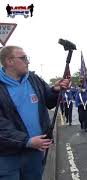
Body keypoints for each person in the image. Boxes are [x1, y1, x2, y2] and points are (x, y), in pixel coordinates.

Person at [0, 46, 70, 180]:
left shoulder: (33, 78)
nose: (28, 61)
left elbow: (48, 101)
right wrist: (27, 141)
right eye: (23, 58)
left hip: (35, 153)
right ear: (10, 61)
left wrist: (55, 90)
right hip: (7, 157)